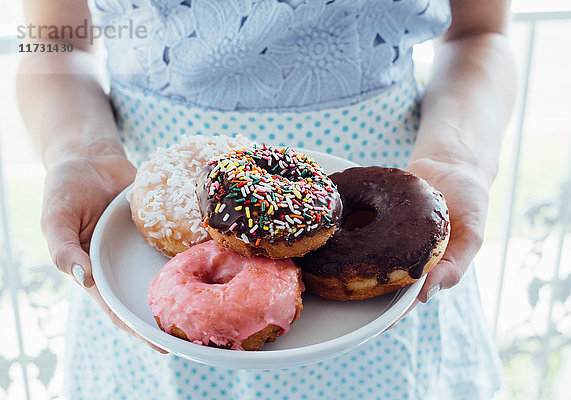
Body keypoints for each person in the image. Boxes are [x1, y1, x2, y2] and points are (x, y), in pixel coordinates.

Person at [17, 0, 516, 398]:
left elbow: (479, 31)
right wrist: (80, 150)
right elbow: (56, 43)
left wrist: (458, 157)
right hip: (136, 225)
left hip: (396, 218)